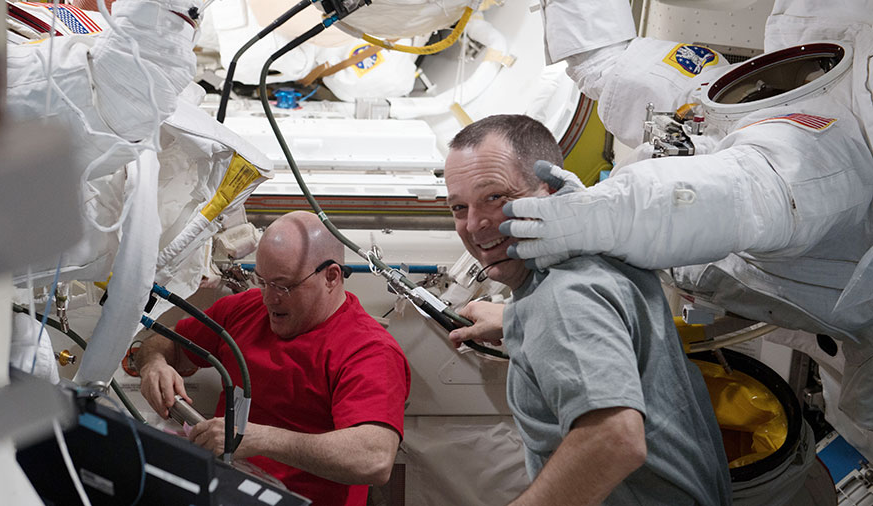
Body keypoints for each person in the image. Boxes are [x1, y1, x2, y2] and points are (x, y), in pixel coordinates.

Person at [498, 0, 873, 433]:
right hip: (780, 94)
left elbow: (743, 195)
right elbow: (601, 63)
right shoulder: (726, 110)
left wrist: (601, 218)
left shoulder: (806, 165)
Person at [444, 114, 731, 506]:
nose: (474, 225)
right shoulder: (594, 254)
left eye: (495, 197)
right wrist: (514, 319)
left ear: (547, 188)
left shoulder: (562, 297)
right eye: (459, 207)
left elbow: (613, 438)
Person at [136, 211, 410, 506]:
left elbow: (374, 459)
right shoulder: (245, 310)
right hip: (223, 492)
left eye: (283, 286)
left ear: (331, 277)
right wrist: (154, 364)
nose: (268, 298)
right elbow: (165, 343)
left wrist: (260, 439)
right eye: (262, 280)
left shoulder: (368, 351)